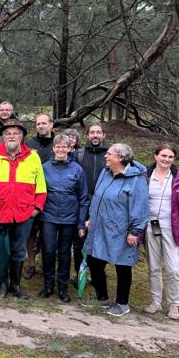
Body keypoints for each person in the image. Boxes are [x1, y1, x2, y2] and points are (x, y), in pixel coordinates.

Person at [0, 118, 46, 299]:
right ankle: (2, 283)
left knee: (18, 251)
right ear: (3, 137)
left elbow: (41, 188)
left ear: (22, 136)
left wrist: (36, 208)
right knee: (0, 250)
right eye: (8, 133)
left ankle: (15, 285)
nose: (12, 136)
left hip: (24, 214)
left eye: (16, 133)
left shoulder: (33, 157)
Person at [83, 143, 149, 316]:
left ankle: (122, 303)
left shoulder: (136, 179)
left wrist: (134, 231)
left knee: (123, 266)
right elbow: (97, 197)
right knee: (94, 261)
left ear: (120, 158)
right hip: (99, 227)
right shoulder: (105, 173)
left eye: (109, 154)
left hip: (121, 231)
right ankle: (102, 298)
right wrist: (90, 218)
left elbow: (140, 207)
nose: (106, 156)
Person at [143, 145, 179, 320]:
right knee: (153, 267)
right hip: (150, 227)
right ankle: (155, 302)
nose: (166, 159)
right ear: (156, 156)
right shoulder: (145, 175)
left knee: (174, 269)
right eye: (163, 155)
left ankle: (174, 305)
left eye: (170, 156)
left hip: (174, 228)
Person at [39, 134, 89, 302]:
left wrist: (81, 222)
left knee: (65, 253)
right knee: (48, 251)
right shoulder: (45, 167)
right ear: (53, 148)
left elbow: (83, 198)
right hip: (49, 216)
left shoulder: (77, 169)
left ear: (70, 149)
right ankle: (48, 285)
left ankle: (63, 287)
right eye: (57, 147)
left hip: (69, 218)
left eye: (64, 147)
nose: (61, 150)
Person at [21, 113, 55, 280]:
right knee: (30, 231)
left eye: (44, 123)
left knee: (49, 232)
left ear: (51, 125)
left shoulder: (59, 144)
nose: (41, 126)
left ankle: (48, 266)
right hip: (31, 194)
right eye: (38, 124)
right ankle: (31, 264)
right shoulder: (28, 144)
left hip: (53, 195)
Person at [72, 123, 108, 276]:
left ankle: (97, 273)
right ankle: (80, 274)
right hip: (81, 204)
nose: (95, 135)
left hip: (104, 205)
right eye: (92, 132)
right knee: (79, 241)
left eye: (98, 132)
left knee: (101, 241)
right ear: (87, 136)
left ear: (103, 135)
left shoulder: (111, 155)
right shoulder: (78, 154)